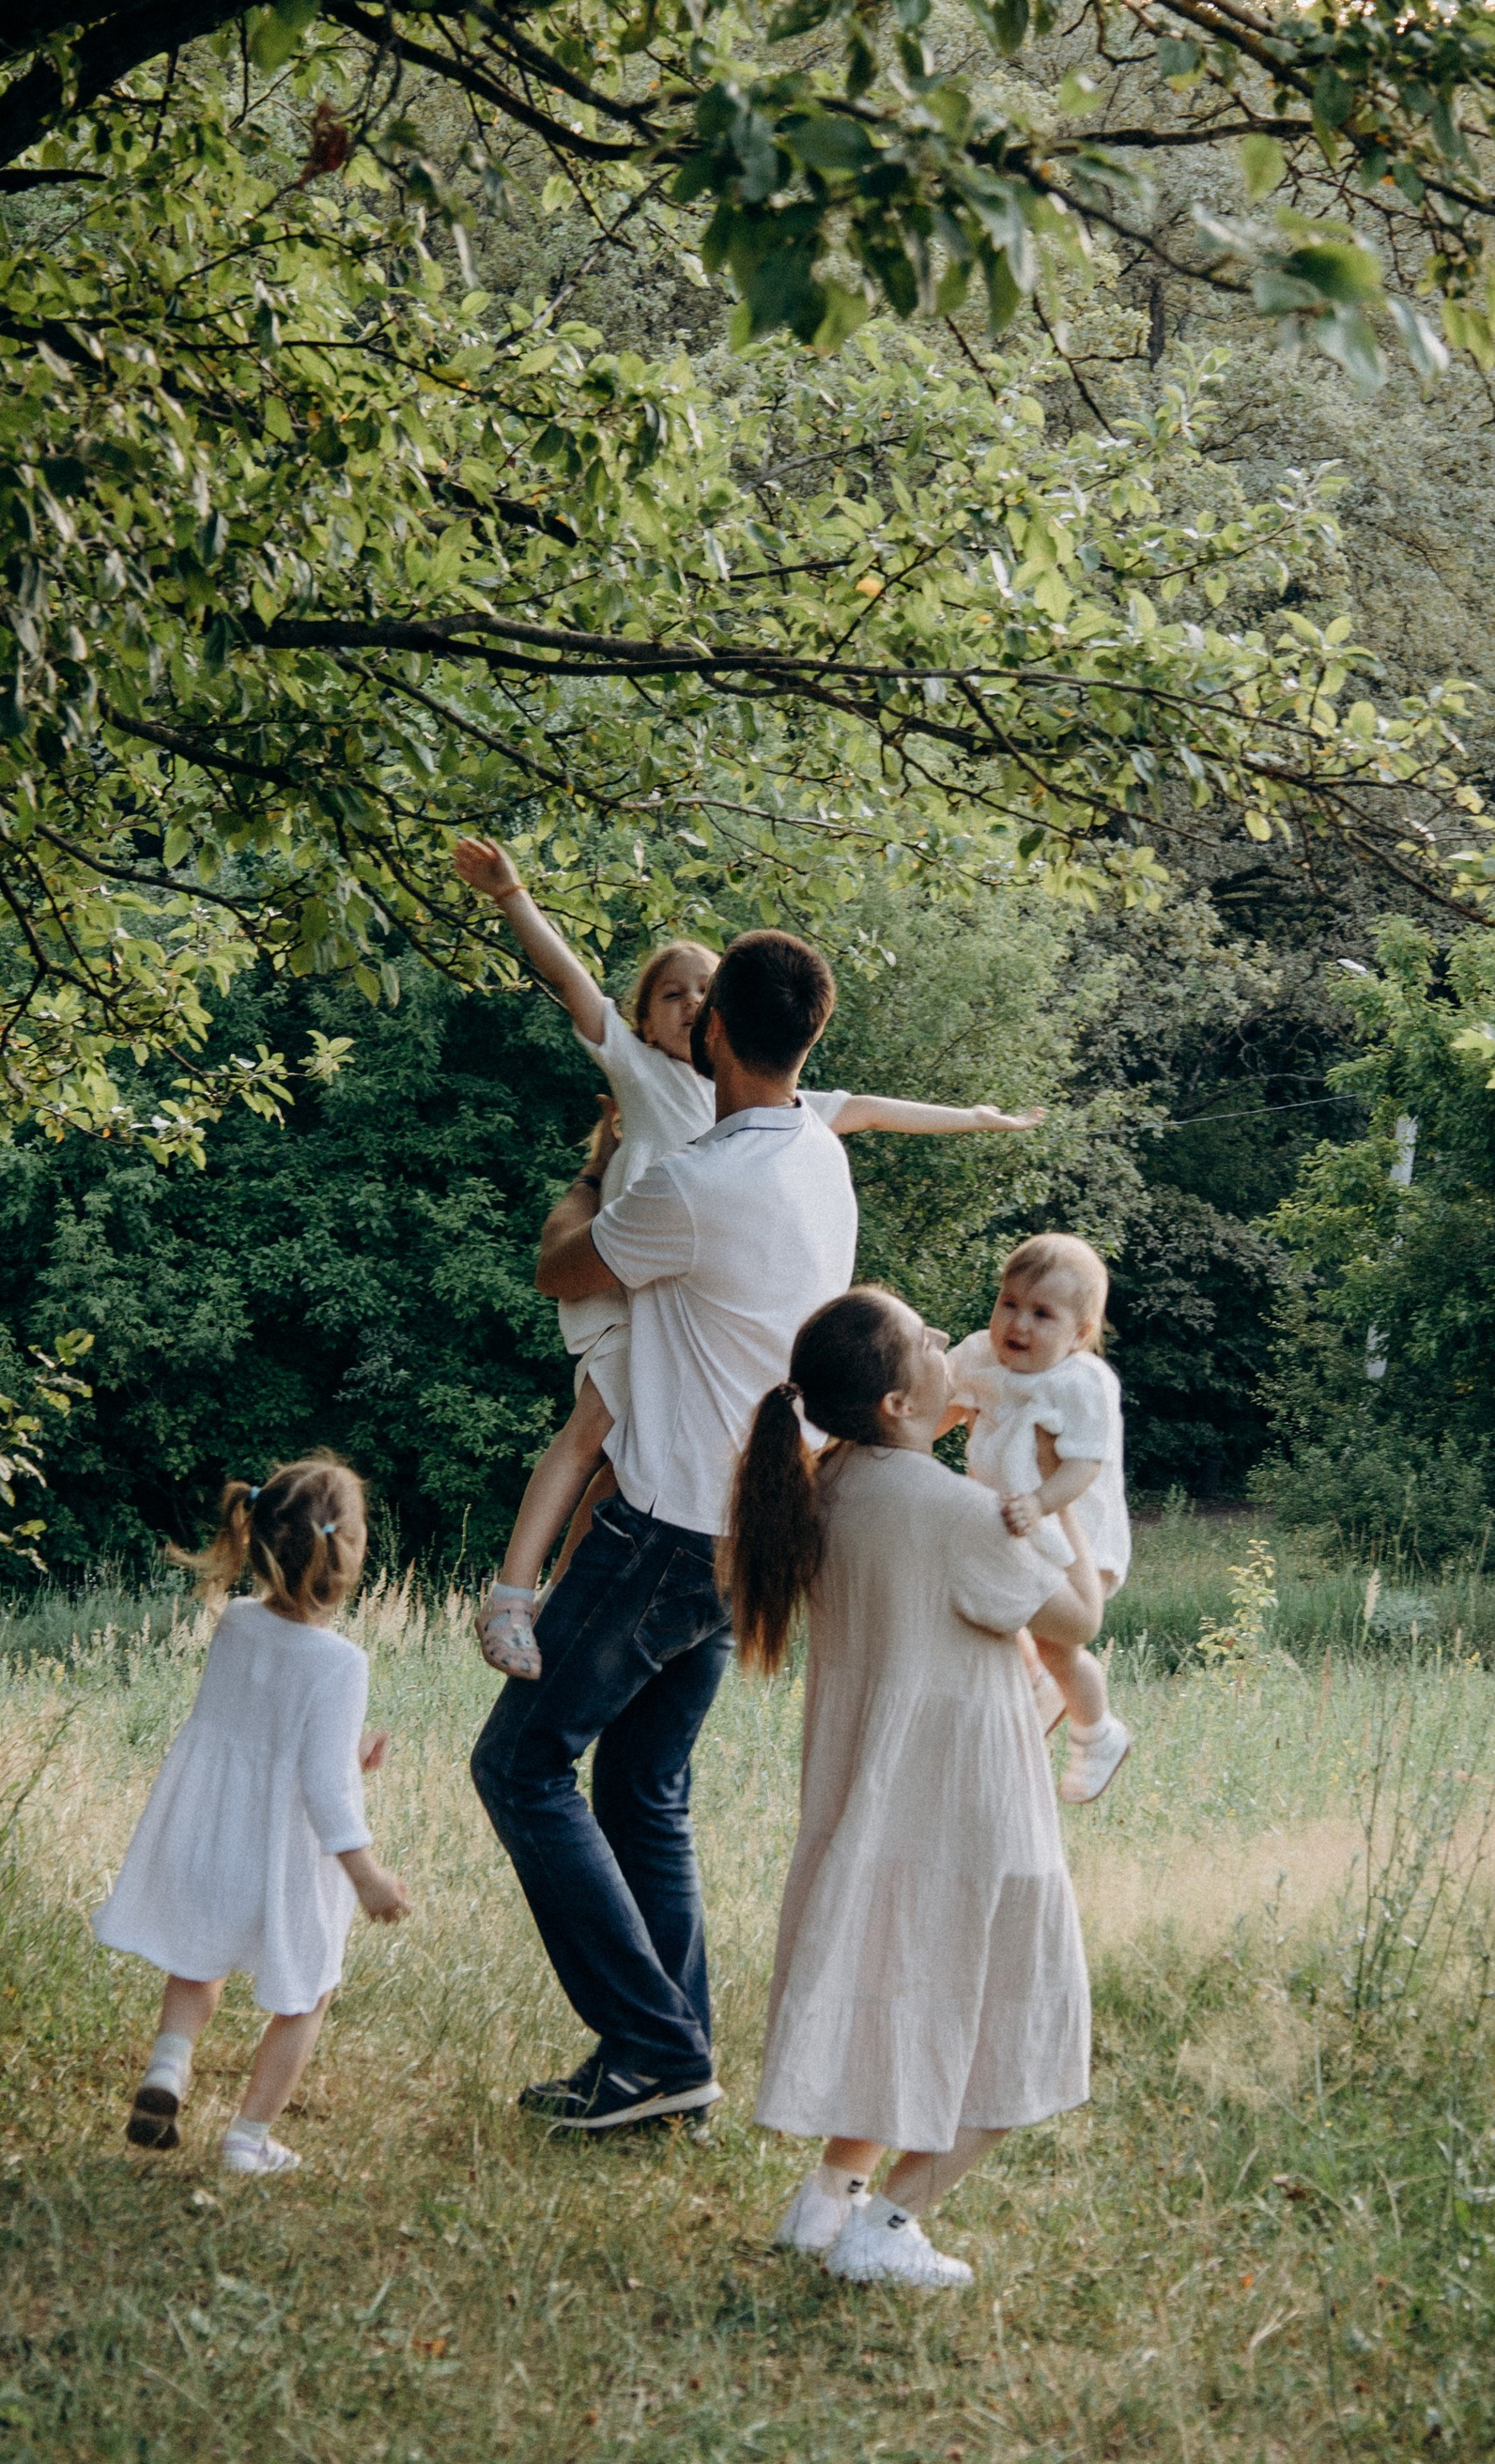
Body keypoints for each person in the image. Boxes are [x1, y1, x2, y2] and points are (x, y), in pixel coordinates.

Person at [451, 834, 1046, 1678]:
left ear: (726, 1021)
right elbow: (573, 984)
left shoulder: (794, 1115)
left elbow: (872, 1108)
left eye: (704, 990)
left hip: (664, 1295)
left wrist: (976, 1120)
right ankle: (516, 1594)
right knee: (595, 1431)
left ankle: (555, 1596)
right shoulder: (649, 1078)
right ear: (645, 1017)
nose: (690, 1005)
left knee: (619, 1461)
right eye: (671, 993)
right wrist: (513, 896)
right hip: (619, 1285)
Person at [470, 925, 855, 2134]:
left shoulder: (693, 1185)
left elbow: (562, 1275)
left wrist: (585, 1186)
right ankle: (668, 2073)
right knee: (643, 1787)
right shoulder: (818, 1161)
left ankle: (654, 2047)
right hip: (754, 1533)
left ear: (712, 1032)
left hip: (666, 1530)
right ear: (810, 1038)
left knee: (521, 1766)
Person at [724, 1288, 1099, 2288]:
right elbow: (1078, 1617)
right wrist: (1058, 1486)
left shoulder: (828, 1484)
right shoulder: (957, 1515)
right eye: (928, 1341)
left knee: (898, 1994)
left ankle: (826, 2201)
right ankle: (890, 2223)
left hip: (877, 1808)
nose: (950, 1343)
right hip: (970, 1810)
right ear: (896, 1402)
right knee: (1022, 2018)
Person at [93, 1458, 410, 2174]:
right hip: (284, 1855)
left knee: (196, 1959)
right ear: (351, 1553)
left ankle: (169, 2067)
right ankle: (246, 2138)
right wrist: (367, 1876)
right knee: (309, 1992)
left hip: (208, 1832)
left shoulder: (235, 1622)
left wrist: (344, 1753)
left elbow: (263, 1730)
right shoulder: (341, 1662)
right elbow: (322, 1788)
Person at [942, 1232, 1133, 1804]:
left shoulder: (1082, 1382)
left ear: (1079, 1334)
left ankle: (1096, 1734)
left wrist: (1043, 1502)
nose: (1017, 1325)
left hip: (1081, 1537)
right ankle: (1037, 1695)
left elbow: (1085, 1467)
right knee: (996, 1619)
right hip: (1011, 1523)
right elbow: (942, 1409)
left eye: (1041, 1314)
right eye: (1009, 1304)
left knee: (1058, 1645)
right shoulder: (979, 1355)